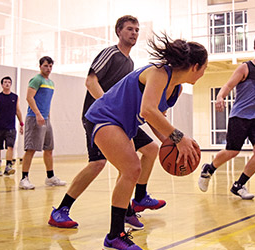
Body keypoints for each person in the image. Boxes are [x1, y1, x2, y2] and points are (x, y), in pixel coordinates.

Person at [86, 34, 207, 250]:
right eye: (204, 68)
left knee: (134, 167)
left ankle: (123, 223)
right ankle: (115, 236)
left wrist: (171, 143)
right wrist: (179, 137)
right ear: (195, 67)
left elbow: (155, 119)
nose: (204, 73)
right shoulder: (159, 72)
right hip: (104, 117)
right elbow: (147, 111)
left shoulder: (176, 89)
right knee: (132, 168)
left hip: (122, 125)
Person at [48, 15, 165, 230]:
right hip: (99, 117)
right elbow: (90, 81)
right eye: (130, 29)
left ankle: (136, 201)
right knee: (98, 163)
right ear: (118, 31)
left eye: (137, 30)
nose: (134, 33)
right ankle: (60, 211)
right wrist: (107, 106)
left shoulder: (129, 63)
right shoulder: (110, 53)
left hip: (119, 119)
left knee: (149, 150)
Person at [198, 33, 255, 199]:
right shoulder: (245, 68)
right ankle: (208, 169)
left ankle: (239, 185)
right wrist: (220, 97)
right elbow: (228, 85)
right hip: (240, 116)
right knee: (232, 151)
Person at [19, 56, 66, 190]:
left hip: (46, 119)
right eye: (46, 66)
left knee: (49, 149)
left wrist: (47, 117)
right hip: (34, 118)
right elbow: (29, 97)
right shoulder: (36, 80)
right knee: (31, 148)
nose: (48, 68)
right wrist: (38, 114)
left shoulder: (51, 83)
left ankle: (50, 177)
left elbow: (46, 102)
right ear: (40, 66)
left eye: (50, 66)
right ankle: (24, 178)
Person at [0, 76, 24, 176]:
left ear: (10, 84)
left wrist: (21, 123)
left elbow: (18, 111)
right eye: (5, 82)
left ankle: (8, 166)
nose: (7, 84)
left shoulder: (15, 97)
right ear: (2, 85)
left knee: (10, 147)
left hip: (10, 127)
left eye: (9, 82)